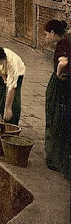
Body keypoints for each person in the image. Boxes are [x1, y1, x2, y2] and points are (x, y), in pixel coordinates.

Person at [44, 19, 70, 179]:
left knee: (55, 117)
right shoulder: (67, 41)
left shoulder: (63, 45)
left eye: (47, 34)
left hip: (61, 83)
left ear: (54, 33)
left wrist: (59, 74)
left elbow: (63, 62)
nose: (47, 37)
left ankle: (54, 159)